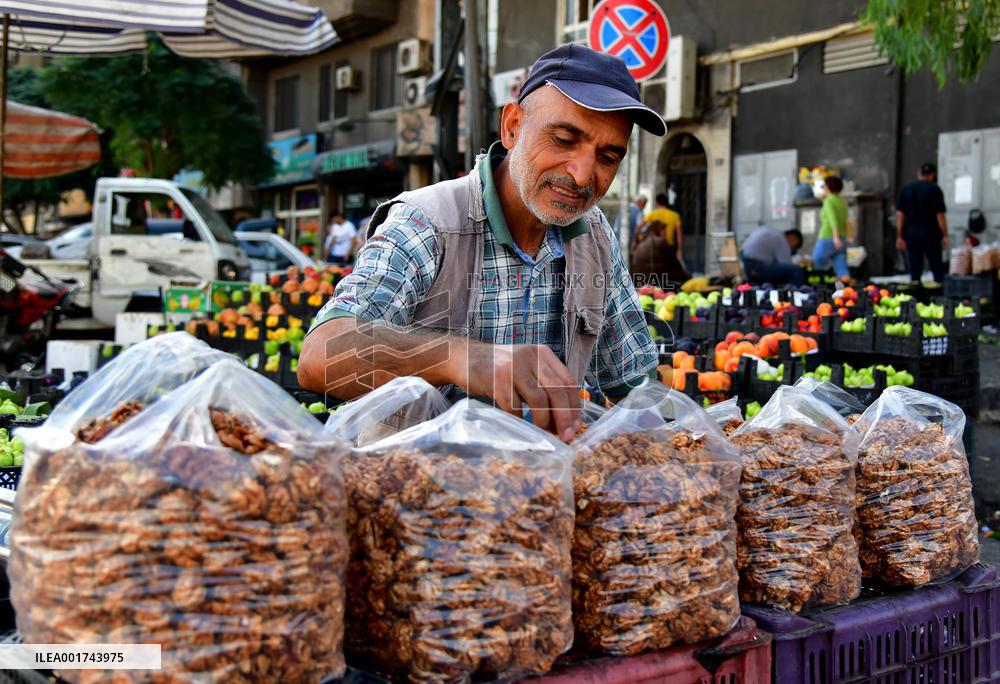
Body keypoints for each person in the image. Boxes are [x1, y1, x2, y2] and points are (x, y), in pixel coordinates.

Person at [299, 44, 667, 443]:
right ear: (512, 127)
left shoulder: (592, 235)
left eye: (608, 157)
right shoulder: (429, 222)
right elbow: (321, 355)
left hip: (542, 491)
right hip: (415, 491)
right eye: (563, 139)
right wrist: (459, 357)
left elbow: (635, 387)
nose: (582, 175)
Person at [896, 162, 948, 283]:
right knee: (936, 265)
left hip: (911, 233)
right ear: (933, 175)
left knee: (915, 266)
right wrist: (945, 234)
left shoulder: (907, 189)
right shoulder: (935, 190)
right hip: (931, 233)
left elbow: (900, 214)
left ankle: (916, 293)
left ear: (919, 173)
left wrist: (899, 236)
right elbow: (940, 214)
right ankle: (938, 292)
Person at [630, 220, 690, 288]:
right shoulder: (660, 242)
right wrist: (687, 275)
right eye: (663, 230)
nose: (665, 233)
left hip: (640, 280)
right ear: (657, 230)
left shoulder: (642, 243)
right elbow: (675, 264)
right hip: (657, 281)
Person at [811, 175, 849, 281]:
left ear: (827, 187)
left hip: (828, 237)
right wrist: (841, 238)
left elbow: (833, 220)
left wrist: (835, 238)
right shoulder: (842, 201)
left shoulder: (829, 201)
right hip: (841, 238)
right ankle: (846, 292)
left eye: (823, 186)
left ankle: (815, 288)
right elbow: (845, 220)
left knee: (815, 265)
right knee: (842, 268)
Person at [740, 227, 806, 286]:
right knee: (796, 270)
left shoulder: (773, 233)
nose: (792, 249)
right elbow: (785, 263)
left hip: (748, 266)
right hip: (757, 267)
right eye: (795, 246)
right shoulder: (781, 239)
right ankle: (795, 295)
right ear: (793, 238)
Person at [634, 192, 683, 265]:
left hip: (654, 249)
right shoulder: (675, 215)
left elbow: (638, 228)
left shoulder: (651, 215)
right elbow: (679, 235)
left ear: (657, 203)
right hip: (669, 247)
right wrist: (679, 250)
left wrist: (641, 239)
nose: (664, 232)